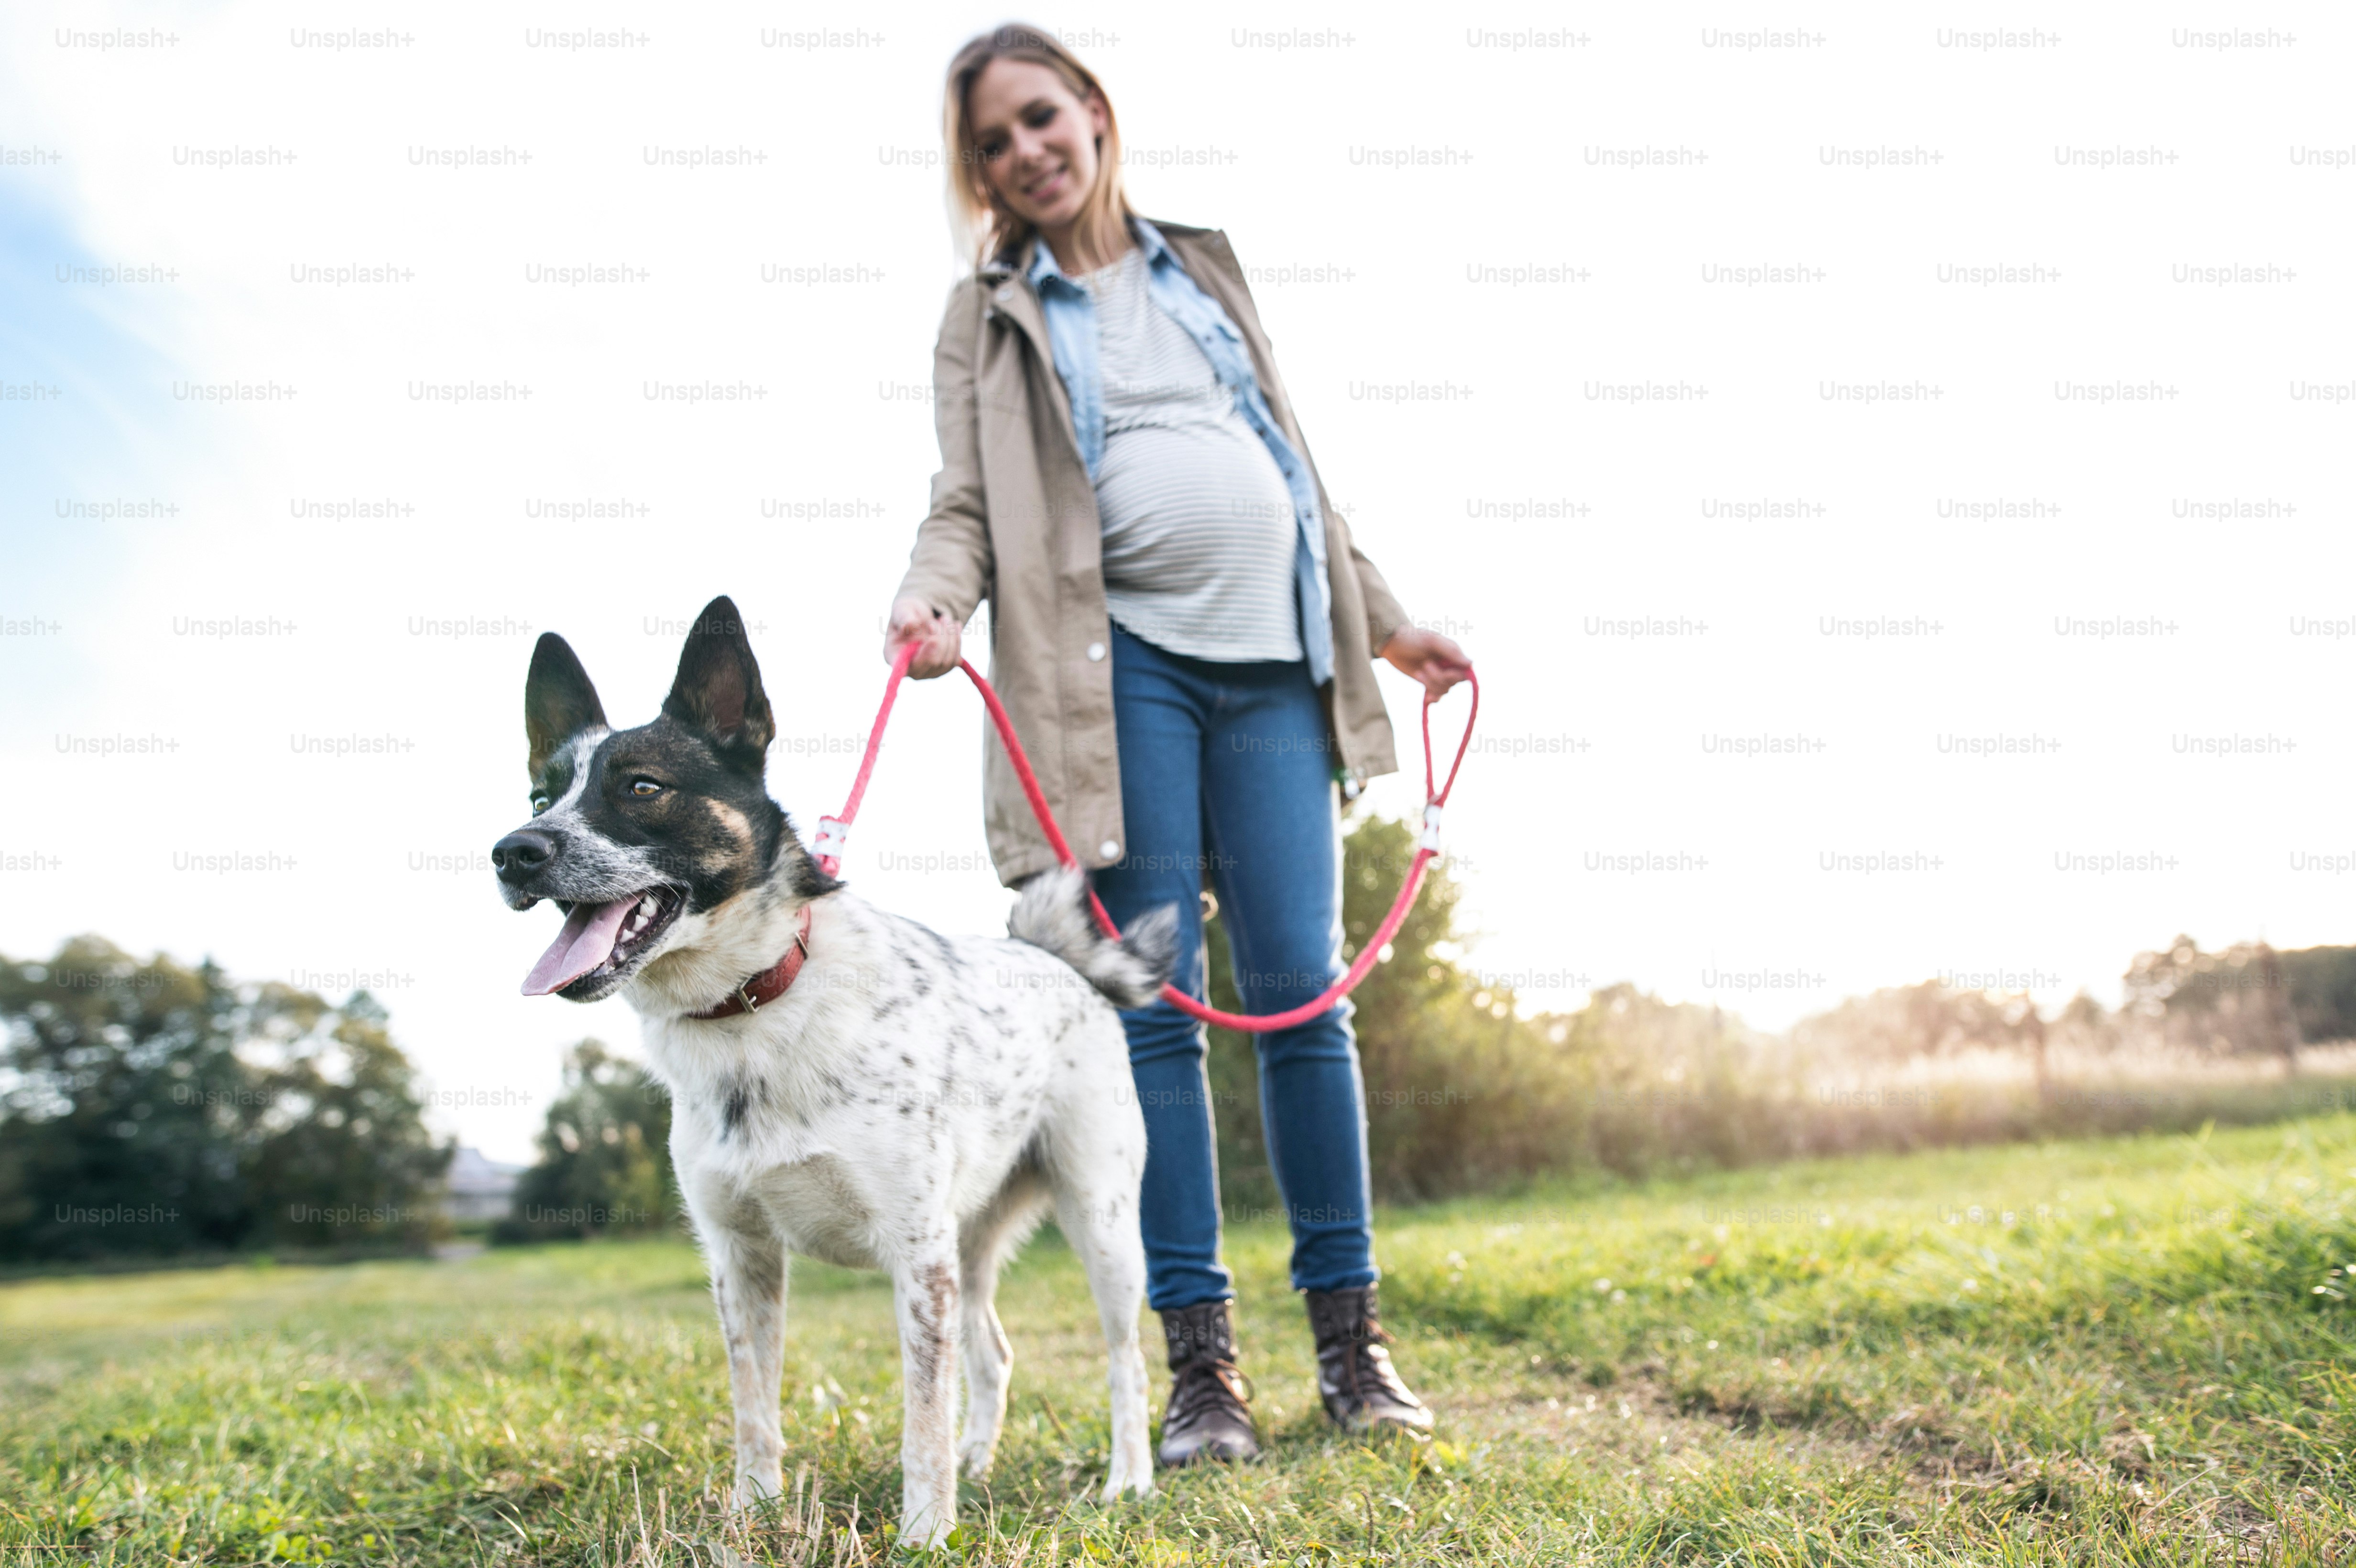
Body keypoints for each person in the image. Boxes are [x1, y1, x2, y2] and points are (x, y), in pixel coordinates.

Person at [883, 24, 1472, 1467]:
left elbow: (1294, 465)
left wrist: (1387, 625)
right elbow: (967, 498)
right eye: (993, 146)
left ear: (1093, 110)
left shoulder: (1201, 262)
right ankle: (1204, 1374)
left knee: (1304, 1000)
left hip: (1280, 666)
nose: (1025, 154)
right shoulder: (988, 317)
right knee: (1155, 1011)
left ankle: (1353, 1349)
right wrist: (932, 595)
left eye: (1039, 119)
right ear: (981, 177)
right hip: (1118, 677)